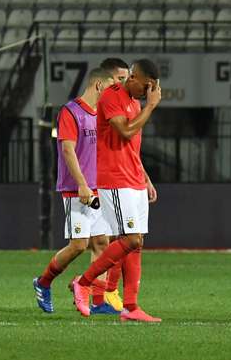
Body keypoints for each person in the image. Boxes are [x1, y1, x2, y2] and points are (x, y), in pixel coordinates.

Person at [72, 59, 162, 323]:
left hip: (133, 178)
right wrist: (152, 107)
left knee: (137, 244)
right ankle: (84, 282)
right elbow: (124, 131)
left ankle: (131, 307)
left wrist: (145, 177)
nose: (148, 93)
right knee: (130, 239)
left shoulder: (136, 102)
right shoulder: (113, 96)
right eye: (147, 87)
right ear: (134, 78)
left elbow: (132, 147)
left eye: (152, 90)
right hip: (114, 179)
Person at [33, 68, 121, 314]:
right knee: (79, 245)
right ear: (99, 86)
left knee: (103, 243)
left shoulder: (102, 115)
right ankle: (43, 282)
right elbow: (68, 150)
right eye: (112, 88)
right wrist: (82, 183)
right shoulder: (71, 112)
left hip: (99, 188)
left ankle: (99, 300)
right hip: (77, 190)